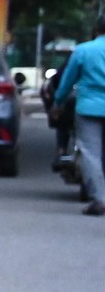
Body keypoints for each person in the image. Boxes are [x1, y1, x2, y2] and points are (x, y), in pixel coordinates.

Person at [53, 13, 105, 214]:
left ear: (96, 30)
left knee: (91, 153)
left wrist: (58, 102)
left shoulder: (83, 50)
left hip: (89, 109)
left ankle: (99, 199)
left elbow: (67, 80)